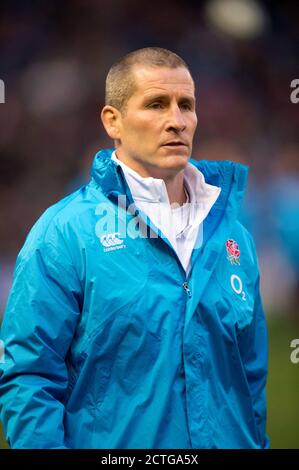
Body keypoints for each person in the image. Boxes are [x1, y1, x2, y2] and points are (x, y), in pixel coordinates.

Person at [0, 47, 269, 449]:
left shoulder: (234, 235)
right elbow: (29, 376)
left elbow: (250, 380)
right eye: (157, 104)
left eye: (186, 105)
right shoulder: (65, 233)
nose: (176, 121)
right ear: (114, 121)